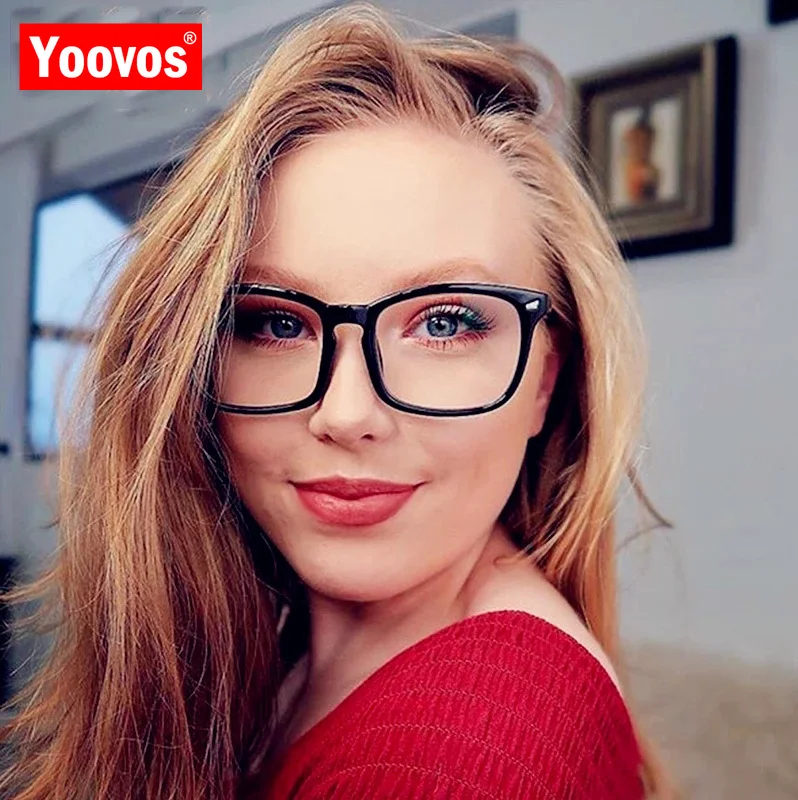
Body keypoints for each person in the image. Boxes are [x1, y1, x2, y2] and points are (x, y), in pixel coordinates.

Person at [0, 3, 674, 798]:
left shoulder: (461, 754)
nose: (347, 414)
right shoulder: (282, 646)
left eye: (446, 322)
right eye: (275, 323)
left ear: (544, 382)